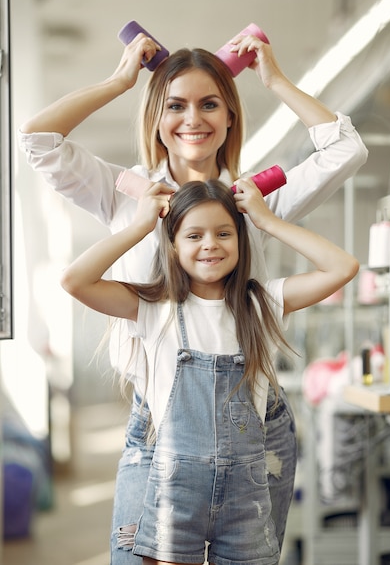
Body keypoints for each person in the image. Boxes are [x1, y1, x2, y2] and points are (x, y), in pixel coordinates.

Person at [18, 29, 368, 562]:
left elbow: (346, 148)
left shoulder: (253, 198)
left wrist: (273, 80)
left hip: (251, 417)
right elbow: (38, 140)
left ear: (230, 115)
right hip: (161, 420)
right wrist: (120, 82)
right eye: (175, 105)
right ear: (156, 117)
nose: (193, 119)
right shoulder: (123, 190)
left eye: (210, 104)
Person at [60, 177, 359, 565]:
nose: (210, 244)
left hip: (245, 496)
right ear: (173, 245)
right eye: (194, 235)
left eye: (223, 233)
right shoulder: (154, 308)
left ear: (240, 238)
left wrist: (266, 220)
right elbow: (74, 279)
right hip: (175, 491)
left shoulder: (261, 303)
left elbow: (343, 266)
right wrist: (139, 226)